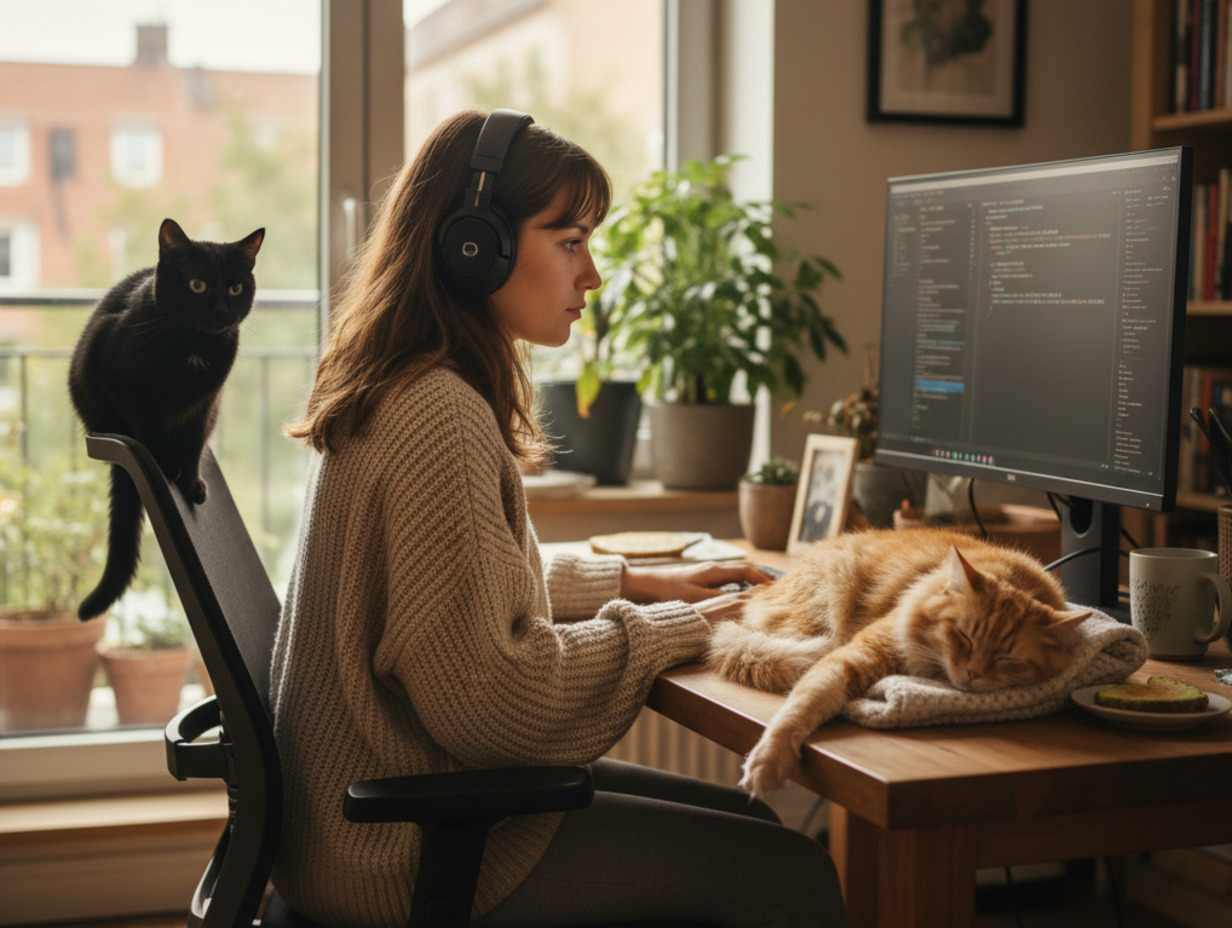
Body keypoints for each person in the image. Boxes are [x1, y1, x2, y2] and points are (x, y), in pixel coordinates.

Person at [271, 109, 847, 928]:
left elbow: (449, 586)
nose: (593, 275)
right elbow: (494, 697)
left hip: (371, 816)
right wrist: (678, 627)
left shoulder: (405, 382)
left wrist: (635, 579)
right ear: (475, 247)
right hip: (403, 850)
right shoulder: (436, 413)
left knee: (754, 821)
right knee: (790, 875)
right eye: (569, 240)